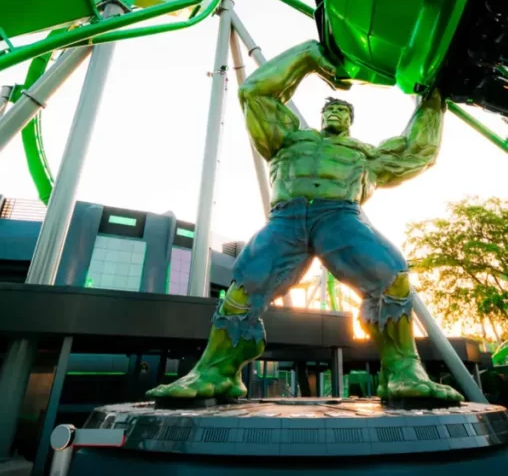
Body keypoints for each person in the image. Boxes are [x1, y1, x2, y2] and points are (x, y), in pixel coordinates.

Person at [148, 39, 462, 401]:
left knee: (391, 274)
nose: (335, 114)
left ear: (351, 120)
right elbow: (254, 93)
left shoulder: (365, 154)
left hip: (340, 215)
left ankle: (402, 368)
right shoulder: (287, 139)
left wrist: (433, 98)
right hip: (287, 216)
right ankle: (217, 371)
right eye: (331, 110)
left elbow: (417, 151)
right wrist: (309, 56)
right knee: (243, 285)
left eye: (343, 112)